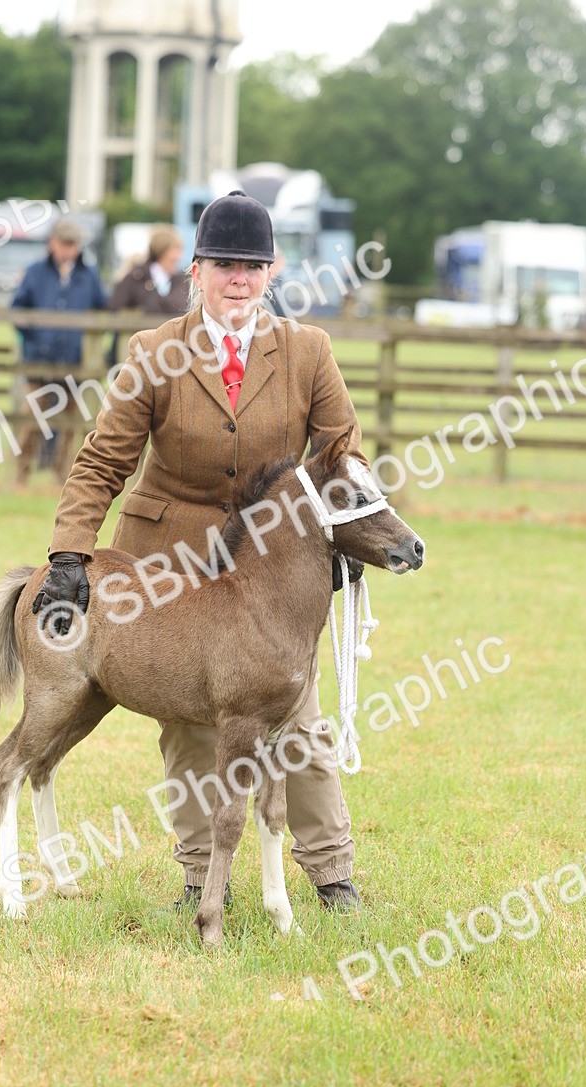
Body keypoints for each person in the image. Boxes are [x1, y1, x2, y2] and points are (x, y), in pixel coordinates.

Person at [33, 190, 367, 913]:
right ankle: (197, 878)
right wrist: (68, 554)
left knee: (299, 723)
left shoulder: (309, 351)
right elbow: (100, 463)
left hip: (274, 572)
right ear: (196, 270)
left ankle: (332, 872)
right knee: (188, 726)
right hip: (169, 560)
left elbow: (343, 454)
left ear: (273, 272)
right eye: (224, 264)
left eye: (252, 264)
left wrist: (346, 532)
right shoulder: (153, 353)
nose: (238, 278)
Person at [11, 216, 107, 485]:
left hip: (74, 362)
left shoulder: (88, 276)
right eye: (65, 244)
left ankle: (62, 475)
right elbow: (18, 309)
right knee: (31, 419)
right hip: (39, 362)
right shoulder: (35, 273)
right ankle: (21, 474)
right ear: (52, 243)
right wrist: (35, 336)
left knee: (70, 424)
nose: (69, 250)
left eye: (74, 244)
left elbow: (105, 308)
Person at [108, 224, 189, 317]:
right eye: (175, 250)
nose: (179, 256)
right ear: (161, 251)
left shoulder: (182, 281)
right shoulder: (136, 278)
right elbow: (114, 308)